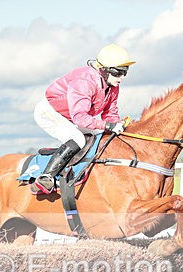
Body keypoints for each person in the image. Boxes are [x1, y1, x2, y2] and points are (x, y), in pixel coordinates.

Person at [31, 43, 135, 194]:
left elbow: (110, 114)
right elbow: (80, 117)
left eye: (125, 72)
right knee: (78, 139)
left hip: (72, 116)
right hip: (49, 113)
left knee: (101, 135)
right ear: (103, 70)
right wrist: (109, 125)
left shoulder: (113, 86)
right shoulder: (85, 81)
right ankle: (47, 177)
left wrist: (117, 125)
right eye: (118, 72)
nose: (122, 77)